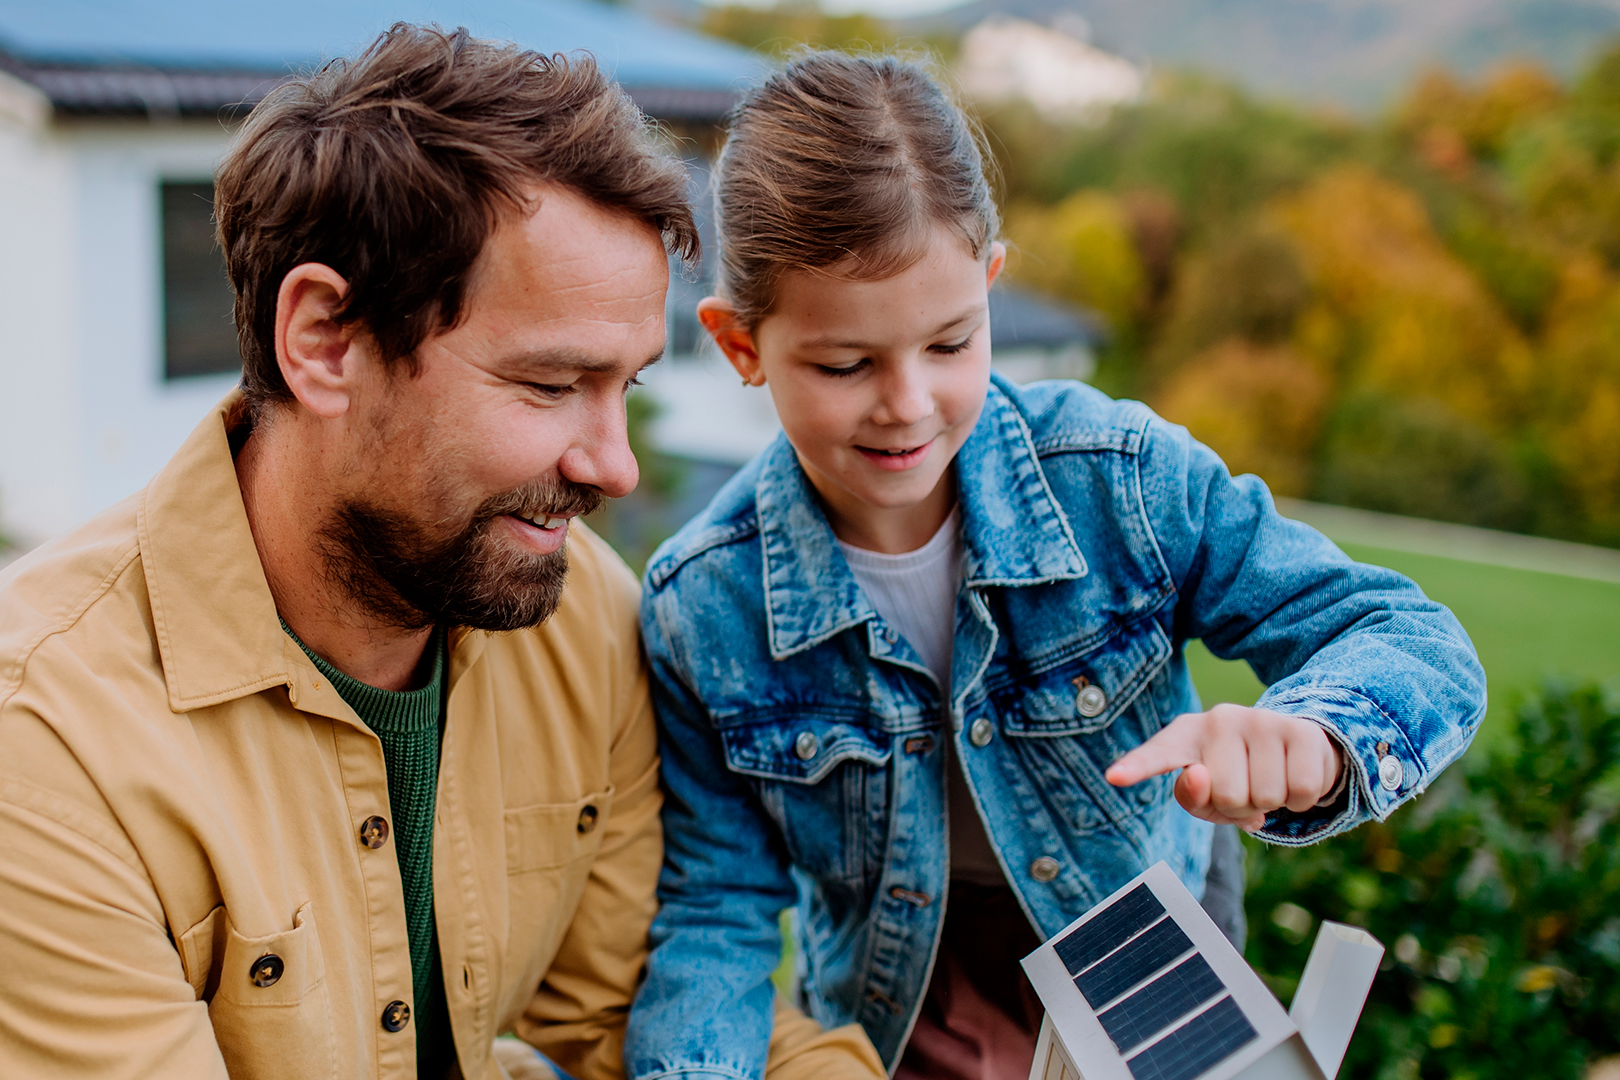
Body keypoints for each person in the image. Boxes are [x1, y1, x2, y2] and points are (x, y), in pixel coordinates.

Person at [0, 26, 879, 1080]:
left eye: (628, 385)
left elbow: (643, 1007)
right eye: (549, 385)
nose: (615, 466)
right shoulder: (28, 750)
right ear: (324, 341)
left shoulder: (579, 622)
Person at [623, 52, 1485, 1080]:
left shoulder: (1122, 483)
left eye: (951, 344)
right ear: (739, 345)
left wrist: (1321, 737)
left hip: (1158, 1004)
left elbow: (1412, 639)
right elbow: (715, 912)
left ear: (990, 285)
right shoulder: (702, 606)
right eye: (846, 364)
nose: (908, 404)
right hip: (898, 1025)